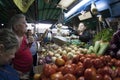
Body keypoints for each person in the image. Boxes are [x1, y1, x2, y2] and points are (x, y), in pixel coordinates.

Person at [8, 14, 33, 79]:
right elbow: (6, 61)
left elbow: (23, 50)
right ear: (16, 27)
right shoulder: (11, 41)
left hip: (28, 69)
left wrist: (30, 44)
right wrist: (14, 72)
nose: (26, 25)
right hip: (19, 73)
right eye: (24, 23)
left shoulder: (24, 36)